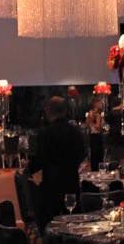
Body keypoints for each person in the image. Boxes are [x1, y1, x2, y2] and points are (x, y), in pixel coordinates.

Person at [26, 96, 85, 225]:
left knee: (51, 222)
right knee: (73, 220)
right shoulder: (75, 132)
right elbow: (83, 153)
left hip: (50, 186)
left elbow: (37, 160)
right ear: (65, 111)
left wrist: (32, 175)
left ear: (48, 111)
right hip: (71, 182)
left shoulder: (45, 133)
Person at [85, 97, 105, 169]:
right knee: (97, 155)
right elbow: (98, 126)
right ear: (95, 104)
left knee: (94, 155)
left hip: (93, 135)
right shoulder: (96, 114)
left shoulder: (91, 113)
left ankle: (95, 169)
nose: (102, 104)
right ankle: (97, 170)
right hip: (96, 136)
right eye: (100, 103)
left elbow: (87, 125)